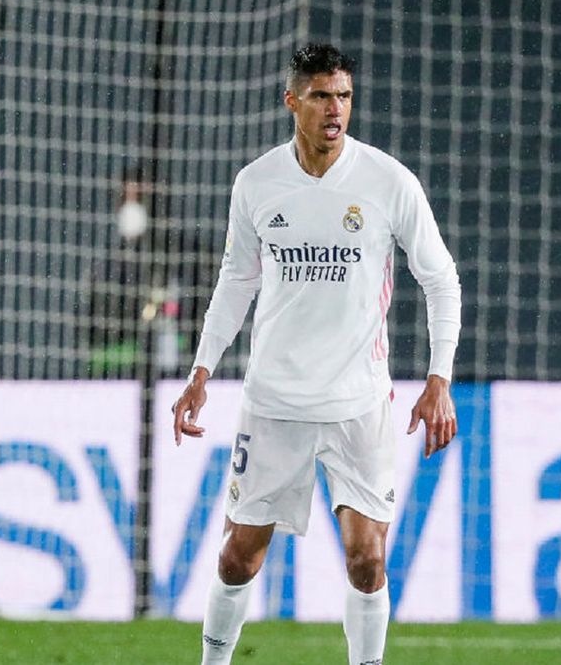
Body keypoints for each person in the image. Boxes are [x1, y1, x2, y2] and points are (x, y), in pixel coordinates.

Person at [171, 44, 461, 665]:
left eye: (345, 97)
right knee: (237, 554)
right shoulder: (257, 183)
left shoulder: (388, 182)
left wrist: (440, 376)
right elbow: (235, 281)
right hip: (274, 401)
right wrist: (201, 371)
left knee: (366, 560)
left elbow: (441, 278)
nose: (337, 110)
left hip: (358, 402)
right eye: (323, 96)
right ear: (293, 101)